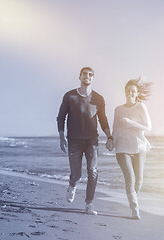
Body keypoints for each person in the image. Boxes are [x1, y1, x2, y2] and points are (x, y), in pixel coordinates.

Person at [57, 67, 114, 215]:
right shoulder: (70, 96)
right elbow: (61, 117)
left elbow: (103, 119)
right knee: (76, 174)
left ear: (93, 78)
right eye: (85, 74)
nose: (87, 77)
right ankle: (72, 185)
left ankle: (89, 204)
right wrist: (62, 137)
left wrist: (109, 137)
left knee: (93, 171)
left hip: (92, 141)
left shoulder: (98, 99)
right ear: (80, 77)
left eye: (90, 75)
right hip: (74, 141)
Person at [112, 78, 152, 220]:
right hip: (122, 148)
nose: (130, 93)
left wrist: (131, 123)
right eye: (128, 90)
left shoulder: (141, 107)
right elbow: (115, 129)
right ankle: (135, 209)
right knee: (130, 178)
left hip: (139, 147)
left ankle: (132, 198)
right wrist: (111, 141)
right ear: (125, 92)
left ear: (136, 93)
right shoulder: (118, 110)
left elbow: (148, 127)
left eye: (133, 91)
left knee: (139, 181)